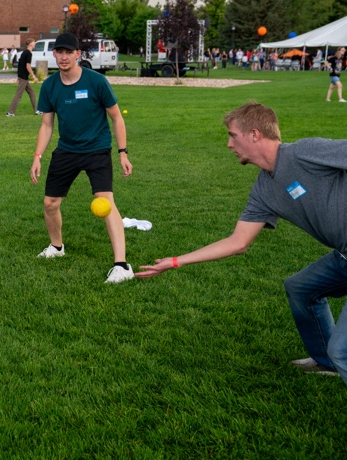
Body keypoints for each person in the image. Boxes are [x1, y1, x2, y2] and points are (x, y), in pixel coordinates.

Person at [136, 102, 347, 383]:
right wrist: (176, 261)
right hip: (343, 256)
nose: (229, 144)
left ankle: (336, 359)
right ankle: (326, 362)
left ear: (255, 134)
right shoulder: (264, 189)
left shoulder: (304, 152)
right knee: (300, 289)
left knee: (343, 350)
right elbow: (238, 242)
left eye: (233, 135)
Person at [29, 32, 134, 284]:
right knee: (50, 203)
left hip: (97, 150)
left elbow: (117, 117)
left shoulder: (96, 82)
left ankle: (122, 265)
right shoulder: (50, 86)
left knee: (105, 202)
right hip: (67, 150)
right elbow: (46, 125)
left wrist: (122, 152)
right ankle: (56, 247)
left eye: (69, 52)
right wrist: (37, 156)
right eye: (59, 52)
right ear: (53, 54)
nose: (64, 57)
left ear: (78, 54)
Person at [6, 38, 39, 117]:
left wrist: (18, 76)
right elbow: (28, 66)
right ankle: (10, 112)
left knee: (32, 92)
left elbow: (20, 65)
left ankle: (37, 110)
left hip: (23, 77)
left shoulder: (24, 52)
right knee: (18, 95)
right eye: (34, 43)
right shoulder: (28, 53)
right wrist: (33, 76)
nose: (35, 44)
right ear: (30, 44)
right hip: (23, 78)